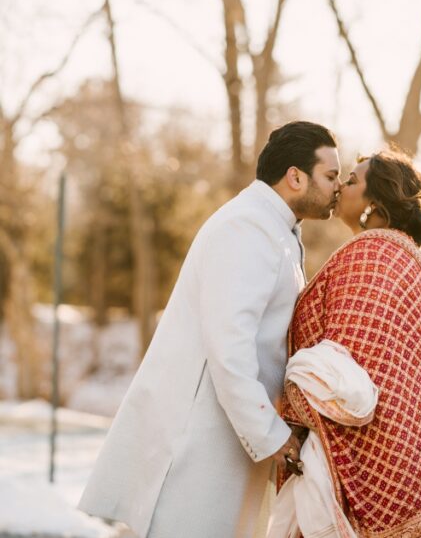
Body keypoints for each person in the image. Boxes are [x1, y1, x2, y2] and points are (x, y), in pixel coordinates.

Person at [79, 121, 341, 538]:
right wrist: (270, 435)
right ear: (295, 177)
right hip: (200, 443)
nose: (338, 188)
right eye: (330, 176)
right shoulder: (247, 228)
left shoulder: (275, 229)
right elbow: (229, 349)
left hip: (226, 440)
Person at [279, 147, 421, 537]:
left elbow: (345, 379)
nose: (341, 185)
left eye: (353, 180)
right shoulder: (408, 259)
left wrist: (291, 388)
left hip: (377, 463)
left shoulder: (372, 255)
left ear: (373, 202)